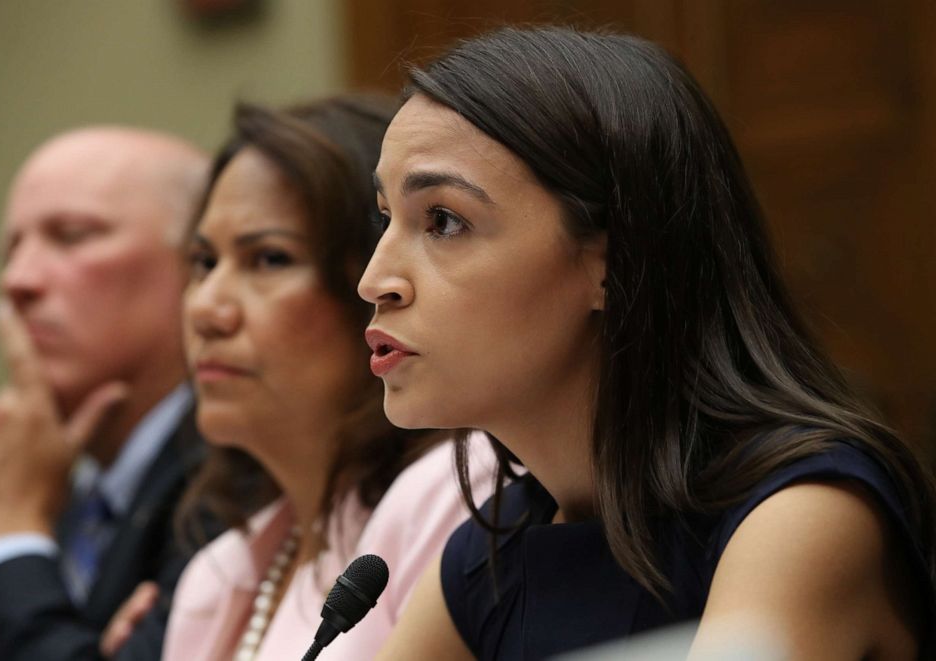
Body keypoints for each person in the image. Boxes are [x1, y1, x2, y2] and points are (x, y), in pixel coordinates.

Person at [359, 26, 936, 660]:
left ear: (614, 261)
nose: (374, 282)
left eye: (443, 221)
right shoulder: (484, 562)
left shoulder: (802, 514)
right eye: (386, 219)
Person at [157, 96, 491, 661]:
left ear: (378, 280)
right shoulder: (216, 576)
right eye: (204, 262)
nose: (205, 309)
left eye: (268, 259)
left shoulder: (463, 491)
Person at [0, 127, 213, 660]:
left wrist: (6, 536)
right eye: (11, 249)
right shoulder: (50, 480)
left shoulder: (242, 477)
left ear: (198, 263)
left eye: (71, 235)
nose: (16, 281)